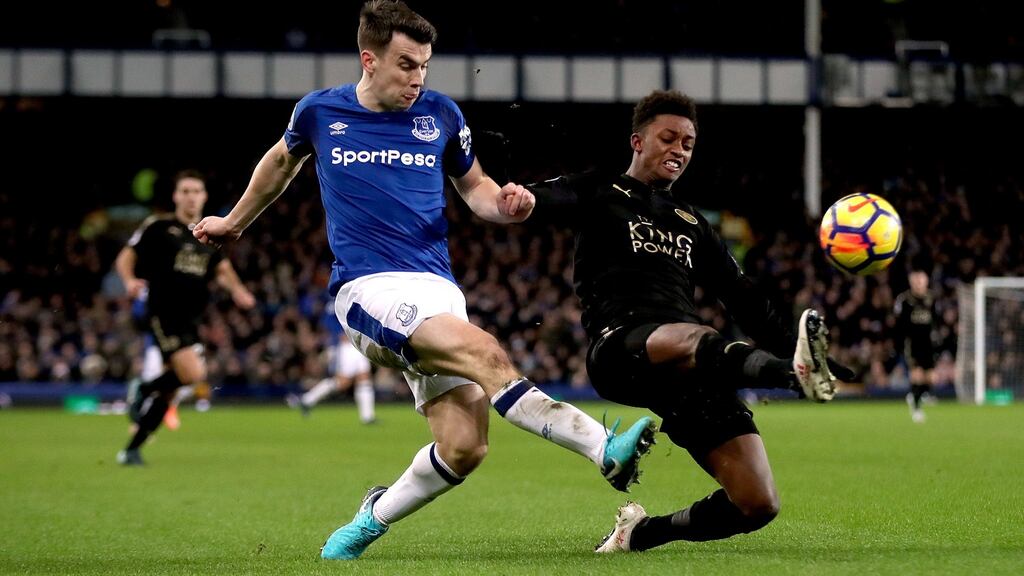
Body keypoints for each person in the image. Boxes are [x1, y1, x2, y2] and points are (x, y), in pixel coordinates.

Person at [192, 0, 655, 560]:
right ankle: (603, 447)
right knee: (485, 351)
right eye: (406, 64)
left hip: (437, 290)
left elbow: (477, 189)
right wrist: (233, 222)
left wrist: (509, 205)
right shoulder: (319, 112)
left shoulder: (441, 115)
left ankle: (371, 517)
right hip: (368, 289)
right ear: (370, 59)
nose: (418, 78)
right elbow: (279, 164)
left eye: (425, 66)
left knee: (464, 447)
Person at [519, 89, 854, 552]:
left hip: (689, 368)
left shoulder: (692, 224)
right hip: (622, 348)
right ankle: (793, 377)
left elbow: (745, 300)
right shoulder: (602, 190)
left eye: (688, 144)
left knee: (757, 503)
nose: (679, 150)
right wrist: (521, 199)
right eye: (668, 138)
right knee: (696, 336)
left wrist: (804, 348)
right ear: (637, 141)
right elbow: (547, 197)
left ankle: (639, 534)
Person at [115, 169, 255, 465]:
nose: (191, 197)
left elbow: (222, 268)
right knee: (193, 375)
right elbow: (127, 256)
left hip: (191, 317)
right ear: (176, 196)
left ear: (204, 196)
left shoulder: (207, 233)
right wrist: (129, 281)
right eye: (186, 191)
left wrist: (239, 291)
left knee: (173, 389)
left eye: (197, 191)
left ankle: (132, 449)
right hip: (163, 311)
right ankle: (142, 388)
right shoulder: (159, 226)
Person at [287, 330, 377, 423]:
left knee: (364, 378)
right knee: (343, 382)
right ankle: (306, 399)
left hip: (360, 342)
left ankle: (367, 416)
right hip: (348, 343)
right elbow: (333, 323)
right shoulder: (333, 316)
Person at [893, 267, 938, 423]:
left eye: (921, 280)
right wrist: (898, 345)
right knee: (917, 375)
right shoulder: (905, 300)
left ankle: (917, 395)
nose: (919, 283)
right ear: (911, 282)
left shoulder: (932, 299)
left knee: (931, 378)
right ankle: (916, 409)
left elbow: (936, 321)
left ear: (926, 281)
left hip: (928, 344)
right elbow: (898, 326)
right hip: (912, 343)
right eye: (916, 280)